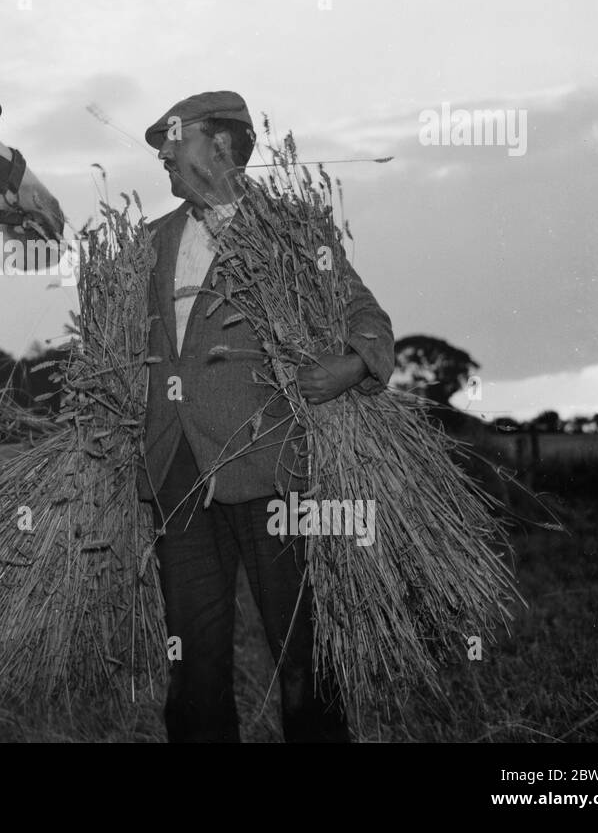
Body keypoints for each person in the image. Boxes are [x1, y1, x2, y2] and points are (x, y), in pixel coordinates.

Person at [139, 90, 395, 743]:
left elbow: (366, 316)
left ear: (221, 143)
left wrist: (352, 365)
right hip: (178, 477)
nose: (164, 153)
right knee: (193, 674)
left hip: (275, 471)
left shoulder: (295, 231)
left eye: (175, 137)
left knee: (304, 658)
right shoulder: (150, 243)